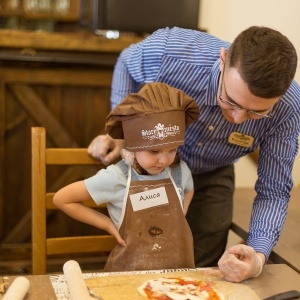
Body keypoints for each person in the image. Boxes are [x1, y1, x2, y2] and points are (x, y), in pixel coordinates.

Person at [87, 25, 300, 282]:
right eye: (231, 101)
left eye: (256, 113)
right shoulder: (170, 52)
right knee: (137, 253)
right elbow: (126, 63)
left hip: (215, 171)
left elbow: (273, 190)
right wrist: (122, 134)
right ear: (223, 61)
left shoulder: (288, 108)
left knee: (201, 273)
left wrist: (257, 256)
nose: (238, 119)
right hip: (154, 166)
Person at [53, 82, 200, 272]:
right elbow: (62, 199)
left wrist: (182, 212)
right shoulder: (117, 178)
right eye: (154, 151)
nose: (164, 160)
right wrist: (106, 224)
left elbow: (189, 188)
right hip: (129, 277)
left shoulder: (180, 171)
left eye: (172, 150)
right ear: (133, 146)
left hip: (177, 279)